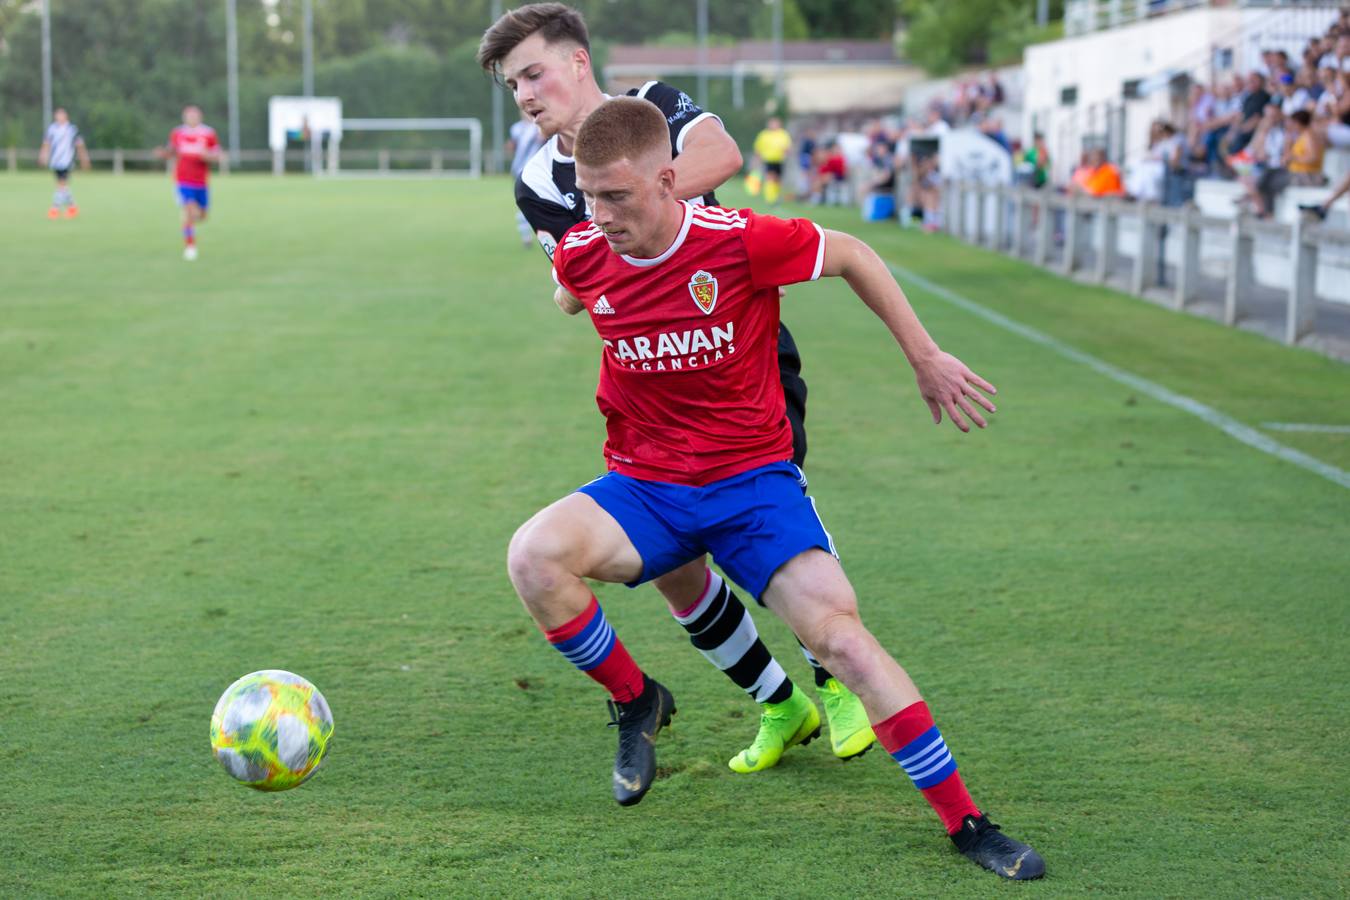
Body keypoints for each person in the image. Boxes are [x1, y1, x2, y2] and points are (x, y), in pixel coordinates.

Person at [514, 96, 1044, 881]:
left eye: (617, 196)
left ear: (668, 180)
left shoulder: (739, 242)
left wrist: (925, 356)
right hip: (647, 485)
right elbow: (570, 281)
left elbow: (857, 253)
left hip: (751, 487)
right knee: (534, 558)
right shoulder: (586, 251)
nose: (599, 214)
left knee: (843, 643)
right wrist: (578, 272)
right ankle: (637, 701)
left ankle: (968, 824)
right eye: (589, 196)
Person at [477, 2, 876, 782]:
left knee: (768, 522)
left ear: (578, 63)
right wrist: (621, 224)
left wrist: (639, 195)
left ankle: (834, 683)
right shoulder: (533, 178)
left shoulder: (657, 102)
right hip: (647, 378)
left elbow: (721, 153)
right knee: (671, 566)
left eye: (532, 72)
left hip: (736, 348)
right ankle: (776, 702)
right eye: (510, 83)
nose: (523, 93)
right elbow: (572, 286)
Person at [156, 106, 219, 261]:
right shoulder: (178, 133)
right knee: (190, 212)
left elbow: (217, 155)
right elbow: (171, 153)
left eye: (194, 116)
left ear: (200, 117)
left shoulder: (208, 133)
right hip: (183, 180)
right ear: (184, 117)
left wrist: (208, 156)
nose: (191, 118)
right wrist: (163, 154)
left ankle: (187, 221)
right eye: (188, 116)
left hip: (202, 181)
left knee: (202, 216)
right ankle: (190, 246)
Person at [38, 108, 90, 219]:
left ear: (66, 116)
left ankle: (54, 209)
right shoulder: (52, 129)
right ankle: (72, 207)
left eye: (61, 115)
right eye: (57, 115)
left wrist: (84, 159)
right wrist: (43, 156)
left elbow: (80, 145)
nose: (59, 117)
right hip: (55, 161)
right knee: (62, 186)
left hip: (67, 161)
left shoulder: (72, 129)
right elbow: (46, 143)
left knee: (61, 184)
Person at [508, 112, 546, 247]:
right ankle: (527, 236)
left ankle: (538, 236)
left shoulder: (540, 127)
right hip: (519, 171)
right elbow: (512, 146)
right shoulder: (516, 128)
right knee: (526, 203)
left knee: (538, 204)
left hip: (537, 172)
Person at [751, 116, 791, 205]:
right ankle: (770, 198)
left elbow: (788, 147)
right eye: (772, 123)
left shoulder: (783, 134)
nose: (773, 125)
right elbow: (758, 148)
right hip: (768, 159)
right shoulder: (764, 134)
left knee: (777, 179)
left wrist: (786, 153)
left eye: (775, 123)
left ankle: (776, 196)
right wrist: (757, 159)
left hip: (779, 160)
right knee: (770, 177)